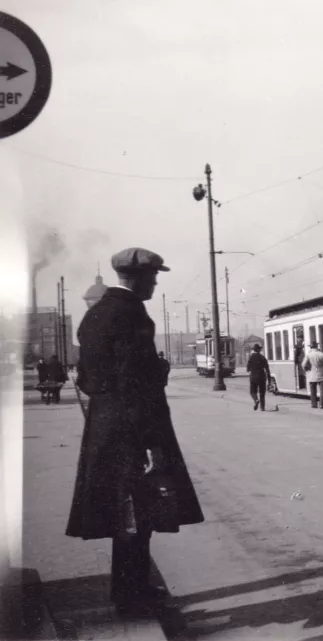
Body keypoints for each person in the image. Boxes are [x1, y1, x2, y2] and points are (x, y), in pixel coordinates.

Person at [66, 247, 204, 617]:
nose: (156, 283)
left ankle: (130, 589)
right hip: (132, 431)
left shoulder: (93, 316)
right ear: (139, 278)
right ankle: (132, 597)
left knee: (124, 511)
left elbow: (91, 379)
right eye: (154, 277)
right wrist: (149, 443)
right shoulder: (131, 315)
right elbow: (133, 384)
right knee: (136, 511)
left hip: (105, 425)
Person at [302, 340, 323, 409]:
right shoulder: (322, 354)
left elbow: (303, 365)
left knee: (313, 391)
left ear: (311, 347)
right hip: (321, 374)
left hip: (312, 374)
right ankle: (321, 404)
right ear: (317, 346)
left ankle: (314, 404)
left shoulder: (308, 355)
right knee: (322, 391)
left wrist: (307, 370)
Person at [246, 343, 271, 411]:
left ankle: (256, 400)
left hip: (253, 377)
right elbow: (267, 369)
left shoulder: (251, 357)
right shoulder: (262, 357)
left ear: (254, 350)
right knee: (262, 393)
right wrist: (269, 379)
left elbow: (248, 369)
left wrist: (250, 369)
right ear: (259, 350)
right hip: (262, 377)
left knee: (252, 392)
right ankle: (262, 407)